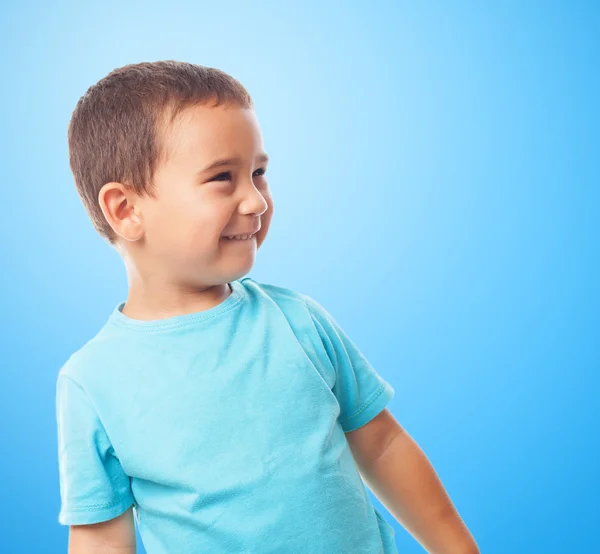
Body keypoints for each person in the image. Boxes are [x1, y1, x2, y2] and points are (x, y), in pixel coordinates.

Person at [56, 60, 479, 554]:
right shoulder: (93, 381)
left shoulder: (297, 321)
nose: (255, 201)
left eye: (258, 173)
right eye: (222, 178)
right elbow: (102, 536)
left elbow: (382, 446)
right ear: (127, 210)